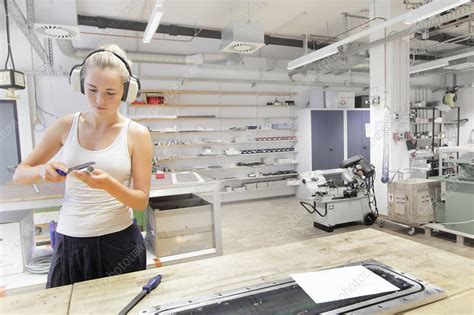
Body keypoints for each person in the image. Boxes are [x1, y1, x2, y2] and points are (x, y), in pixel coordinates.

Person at [13, 44, 152, 288]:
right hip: (71, 243)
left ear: (126, 91)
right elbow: (20, 174)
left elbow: (140, 201)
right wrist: (41, 171)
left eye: (111, 92)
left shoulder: (137, 134)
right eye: (92, 89)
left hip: (119, 244)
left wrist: (109, 185)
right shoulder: (65, 126)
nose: (100, 100)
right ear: (80, 84)